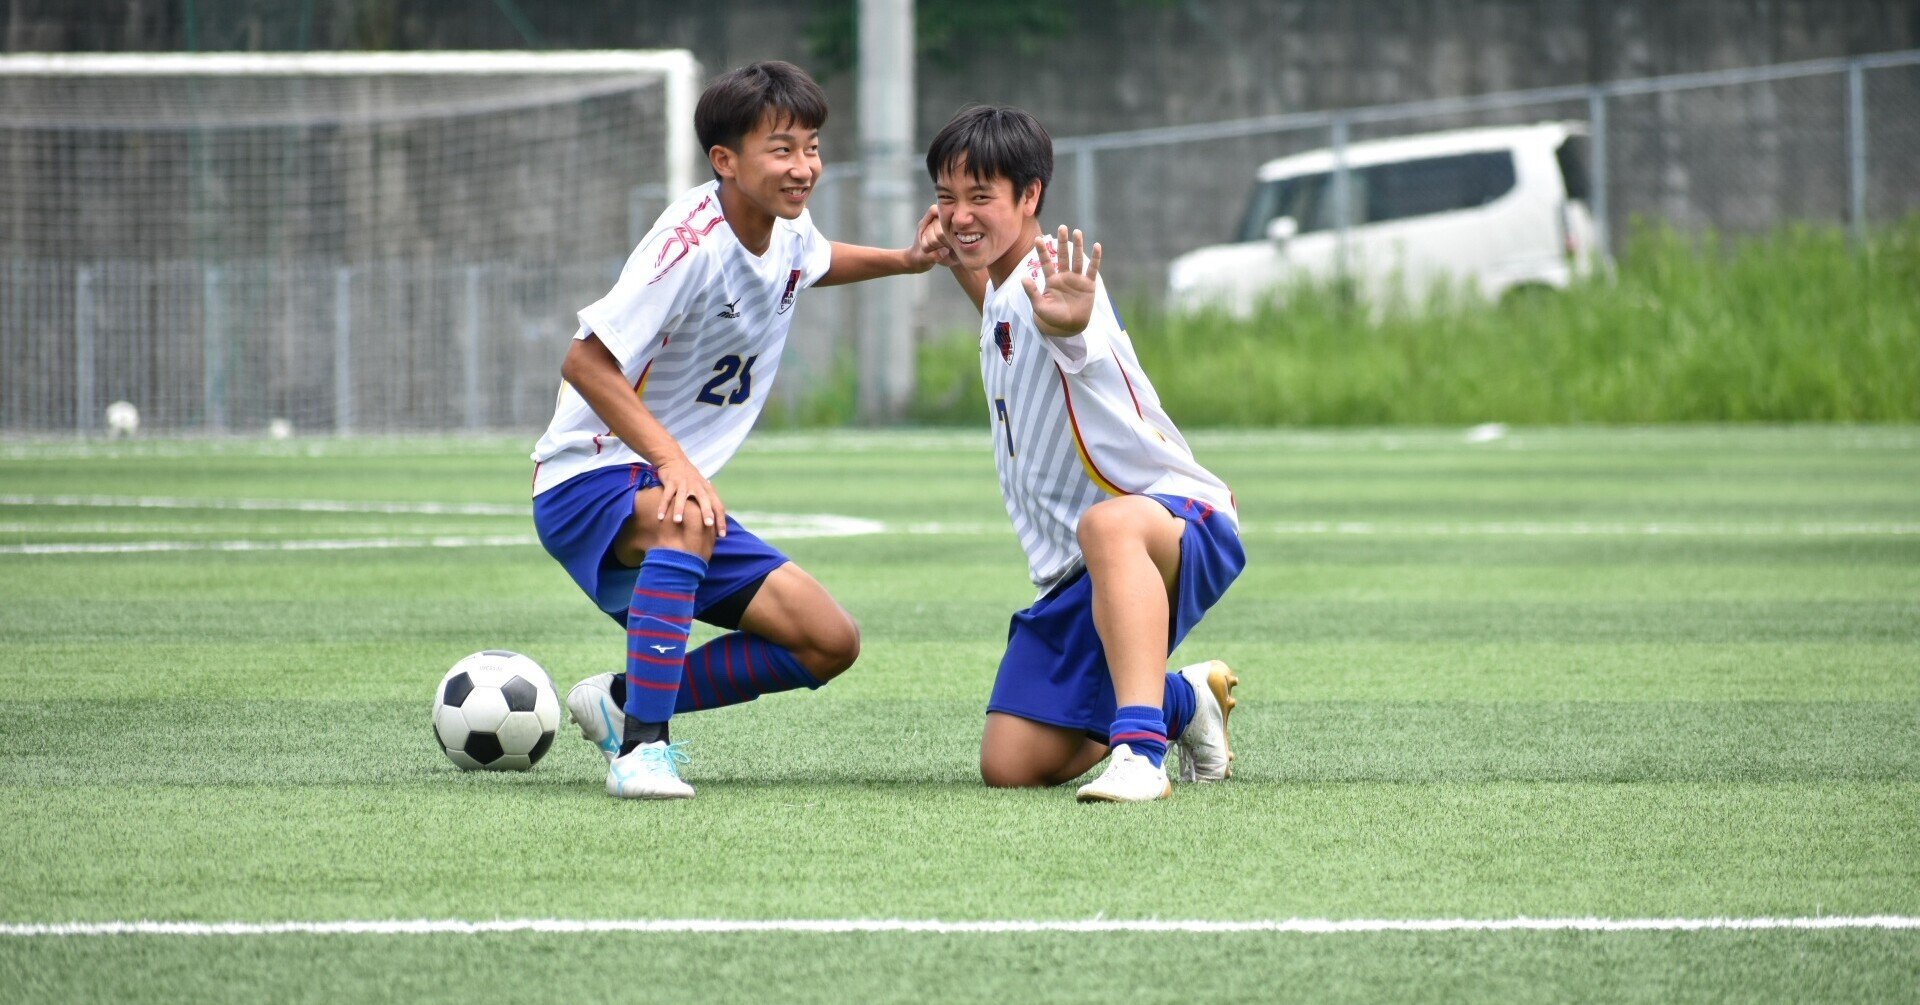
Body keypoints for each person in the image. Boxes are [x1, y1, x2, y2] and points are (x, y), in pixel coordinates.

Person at [530, 61, 940, 800]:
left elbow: (813, 262)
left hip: (660, 478)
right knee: (686, 518)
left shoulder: (785, 227)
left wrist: (907, 262)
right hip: (588, 476)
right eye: (782, 149)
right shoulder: (687, 246)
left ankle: (624, 700)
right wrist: (674, 464)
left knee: (828, 641)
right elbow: (586, 363)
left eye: (811, 146)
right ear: (726, 161)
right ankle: (643, 752)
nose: (804, 166)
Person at [922, 105, 1246, 802]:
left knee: (1108, 523)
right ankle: (1185, 701)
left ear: (1030, 196)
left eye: (981, 197)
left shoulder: (1057, 283)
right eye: (948, 198)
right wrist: (958, 262)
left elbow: (1069, 331)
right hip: (1076, 573)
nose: (959, 215)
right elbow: (1003, 311)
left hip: (1176, 521)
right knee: (1011, 763)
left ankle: (1138, 752)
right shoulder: (1006, 286)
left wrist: (1070, 324)